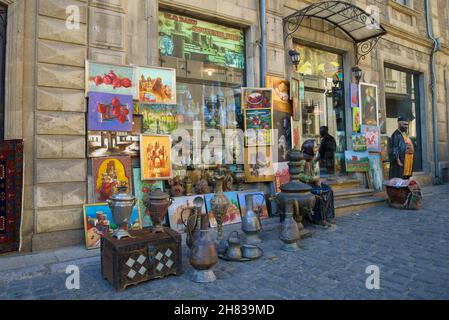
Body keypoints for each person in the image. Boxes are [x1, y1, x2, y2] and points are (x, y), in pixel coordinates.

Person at [298, 140, 335, 227]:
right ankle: (319, 219)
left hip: (312, 183)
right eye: (314, 147)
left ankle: (328, 216)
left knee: (328, 190)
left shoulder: (313, 157)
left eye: (316, 147)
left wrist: (317, 180)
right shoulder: (302, 159)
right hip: (303, 184)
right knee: (319, 193)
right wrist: (313, 178)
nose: (316, 149)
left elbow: (315, 172)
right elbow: (299, 175)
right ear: (308, 148)